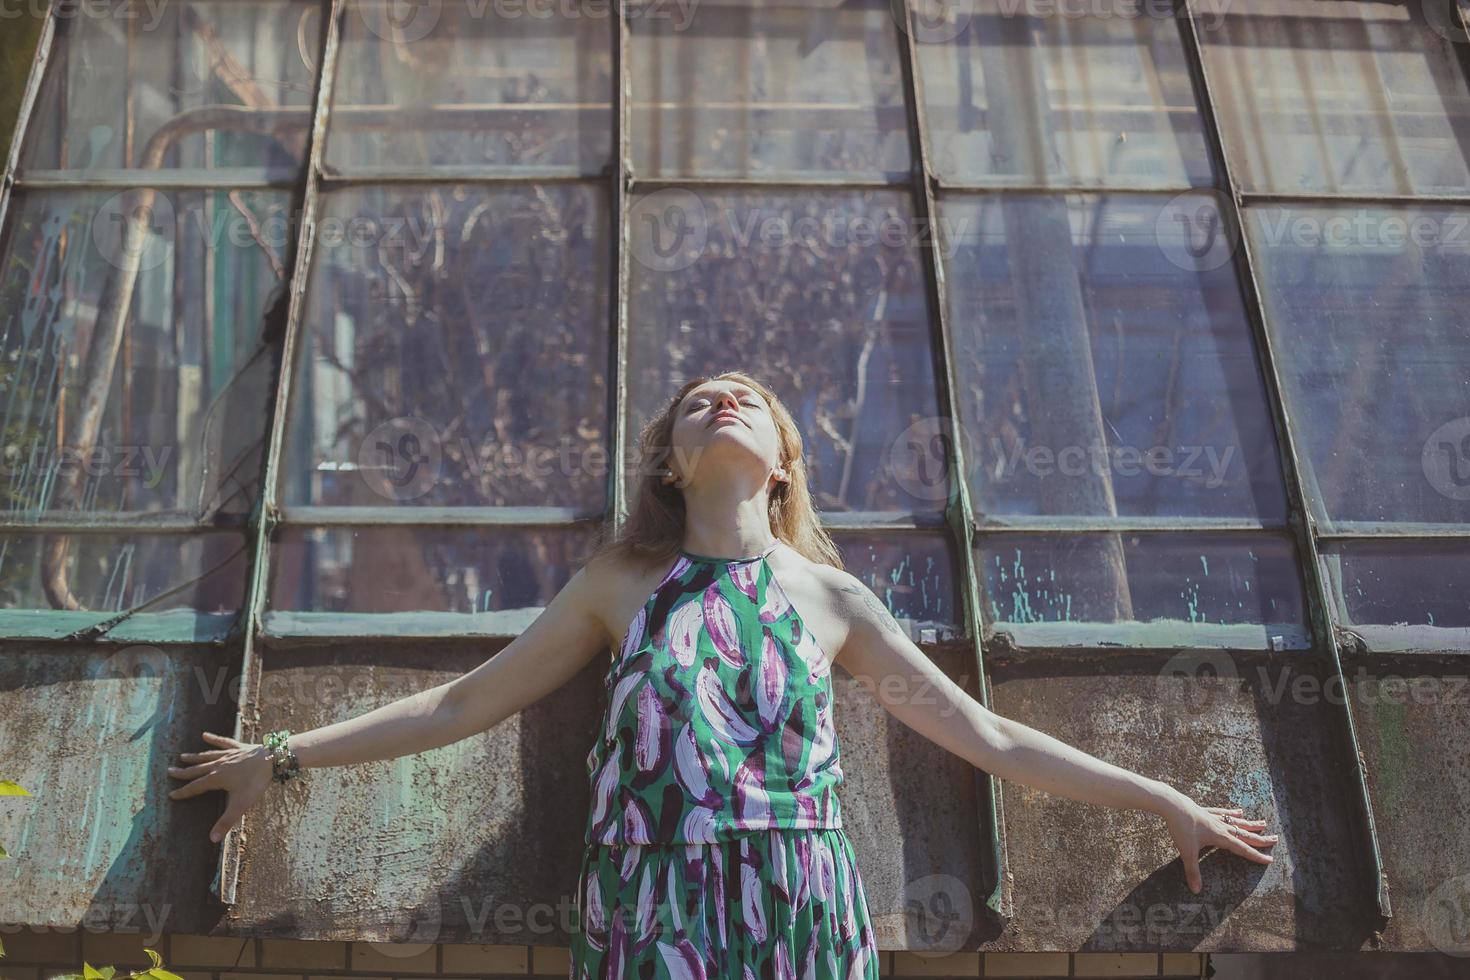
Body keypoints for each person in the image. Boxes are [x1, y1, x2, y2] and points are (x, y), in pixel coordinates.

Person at [167, 370, 1276, 977]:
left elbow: (984, 735)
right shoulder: (620, 580)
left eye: (749, 397)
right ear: (672, 459)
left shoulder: (834, 600)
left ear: (786, 458)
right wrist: (282, 754)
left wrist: (1163, 796)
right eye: (701, 400)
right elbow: (469, 698)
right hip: (650, 901)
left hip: (802, 903)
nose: (725, 400)